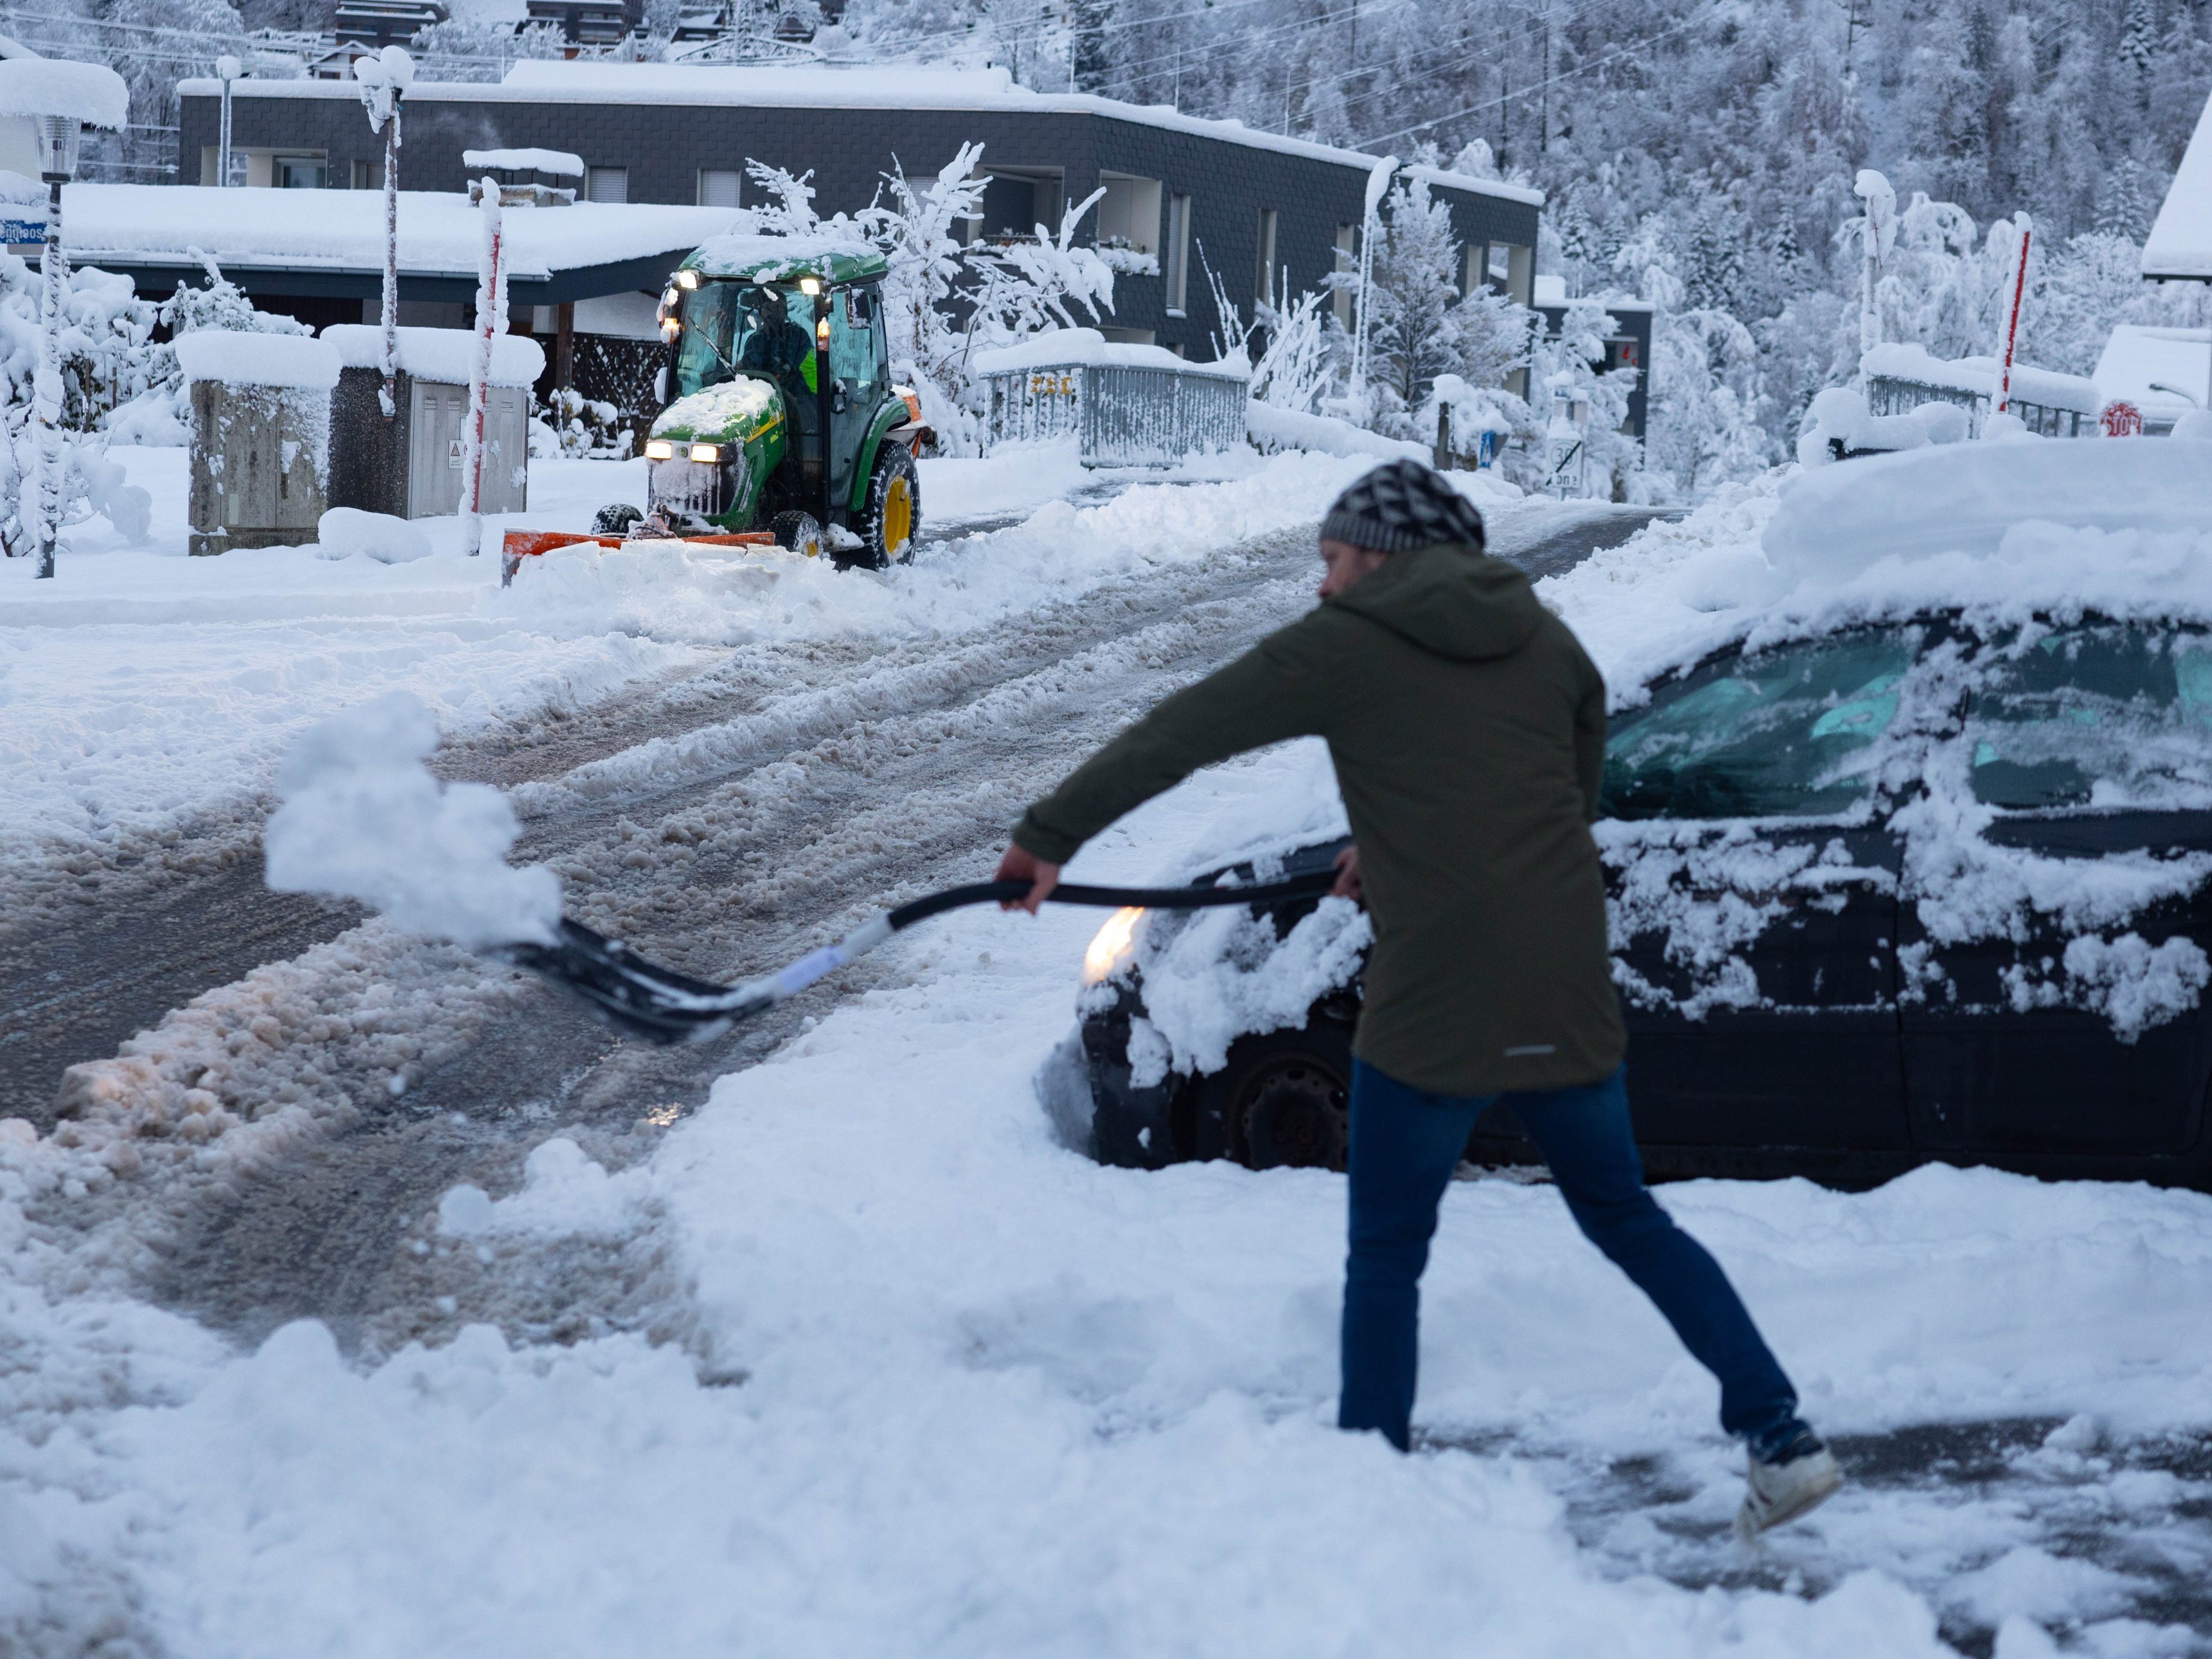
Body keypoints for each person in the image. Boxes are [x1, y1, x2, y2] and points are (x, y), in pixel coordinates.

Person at [993, 459, 1842, 1538]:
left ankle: (1373, 1501)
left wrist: (1047, 838)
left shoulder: (1349, 643)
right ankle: (1781, 1436)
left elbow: (1181, 733)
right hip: (1562, 987)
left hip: (1437, 995)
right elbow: (1561, 804)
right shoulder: (1547, 640)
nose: (1322, 583)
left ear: (1382, 556)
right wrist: (1394, 845)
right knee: (1627, 1217)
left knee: (1389, 1253)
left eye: (1333, 557)